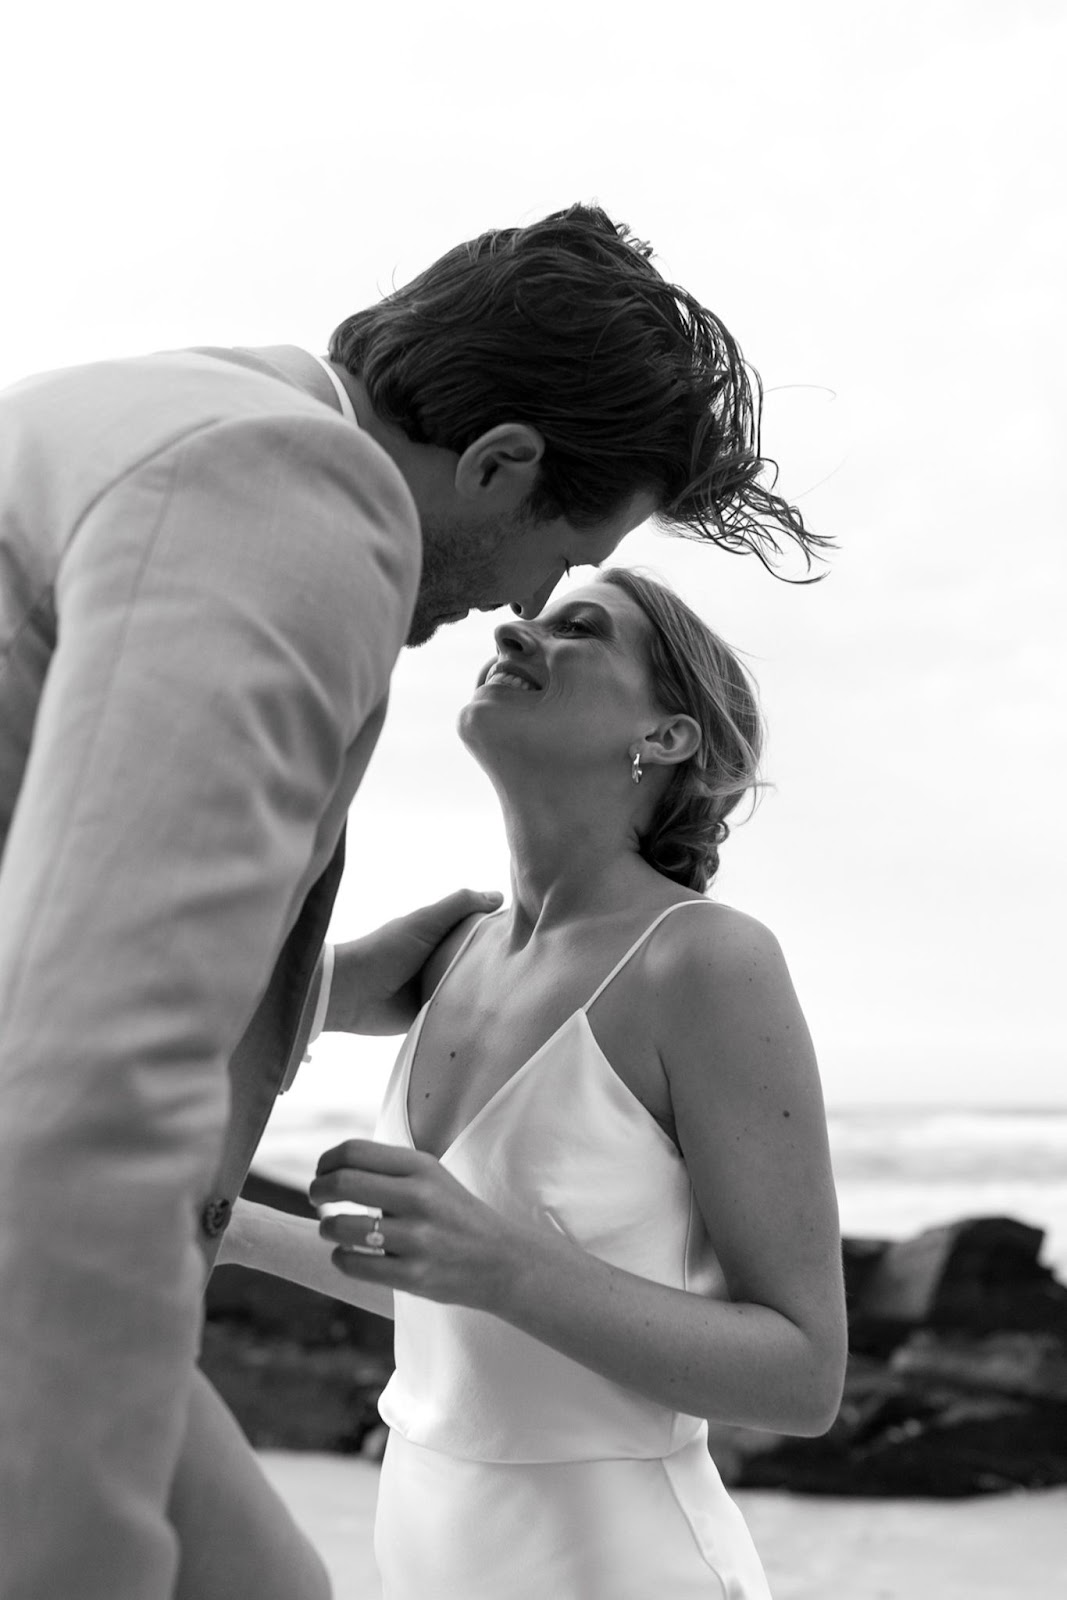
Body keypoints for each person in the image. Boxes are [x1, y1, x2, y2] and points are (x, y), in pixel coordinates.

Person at [0, 204, 824, 1600]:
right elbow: (90, 1052)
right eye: (557, 568)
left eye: (569, 598)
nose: (513, 611)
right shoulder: (281, 492)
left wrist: (290, 999)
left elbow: (69, 967)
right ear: (495, 461)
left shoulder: (175, 417)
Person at [225, 568, 848, 1599]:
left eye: (578, 630)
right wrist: (235, 1222)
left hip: (617, 1564)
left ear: (664, 737)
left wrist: (501, 1259)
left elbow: (802, 1375)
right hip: (423, 1545)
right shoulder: (451, 951)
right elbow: (452, 1300)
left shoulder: (701, 963)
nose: (516, 629)